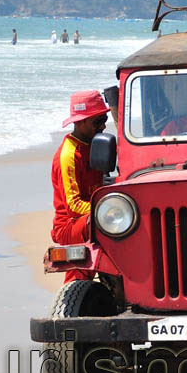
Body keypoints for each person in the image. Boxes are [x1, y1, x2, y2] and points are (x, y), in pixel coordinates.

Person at [51, 90, 110, 282]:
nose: (102, 126)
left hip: (91, 214)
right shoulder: (69, 155)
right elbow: (73, 206)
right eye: (97, 121)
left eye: (104, 119)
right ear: (81, 122)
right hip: (70, 224)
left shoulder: (96, 143)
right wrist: (106, 209)